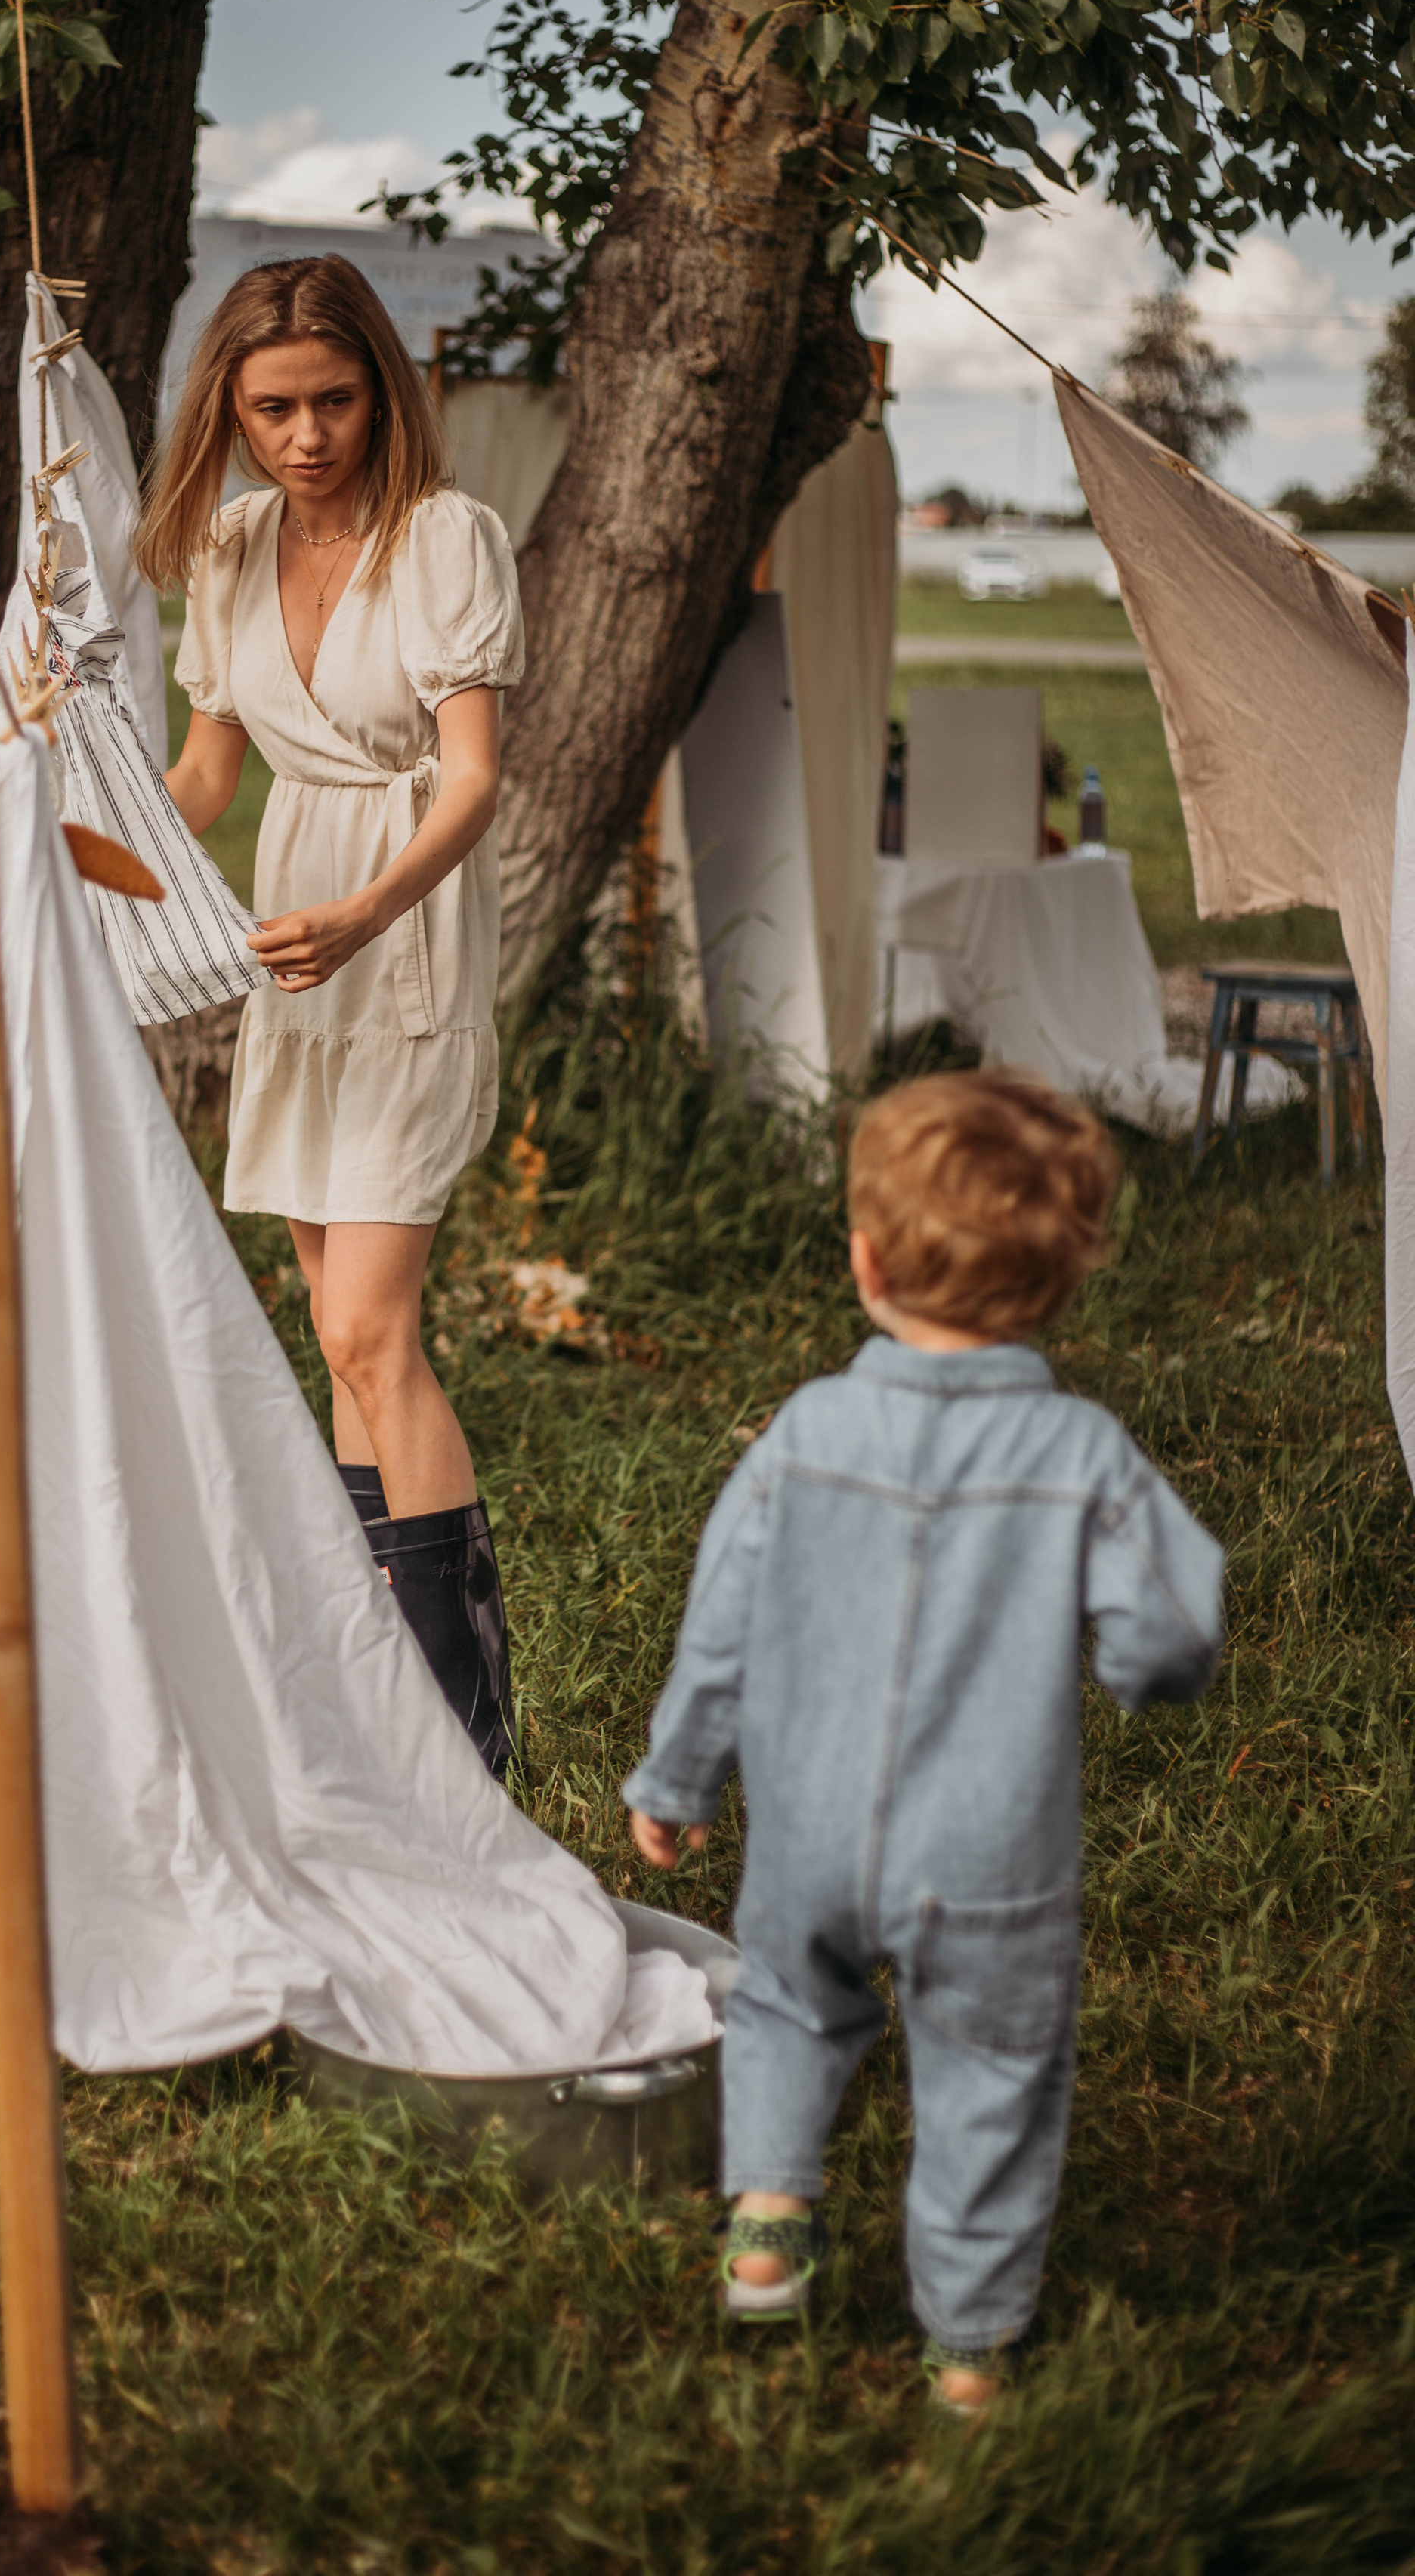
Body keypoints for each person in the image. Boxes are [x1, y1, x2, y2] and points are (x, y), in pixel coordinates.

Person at [623, 1069, 1224, 2411]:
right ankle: (967, 2351)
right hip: (992, 1851)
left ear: (865, 1260)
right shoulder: (1082, 1453)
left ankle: (771, 2220)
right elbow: (1176, 1626)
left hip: (811, 1829)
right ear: (1061, 1289)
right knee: (994, 2069)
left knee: (785, 2002)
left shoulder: (804, 1436)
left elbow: (717, 1622)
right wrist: (1139, 1667)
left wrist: (677, 1775)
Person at [136, 255, 523, 1774]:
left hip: (402, 927)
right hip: (287, 934)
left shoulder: (443, 539)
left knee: (372, 1324)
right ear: (227, 412)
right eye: (274, 409)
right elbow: (205, 779)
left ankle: (465, 1737)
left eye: (335, 401)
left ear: (383, 389)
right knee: (338, 1334)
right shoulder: (226, 547)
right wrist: (73, 864)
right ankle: (390, 1719)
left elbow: (475, 776)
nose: (307, 436)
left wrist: (373, 909)